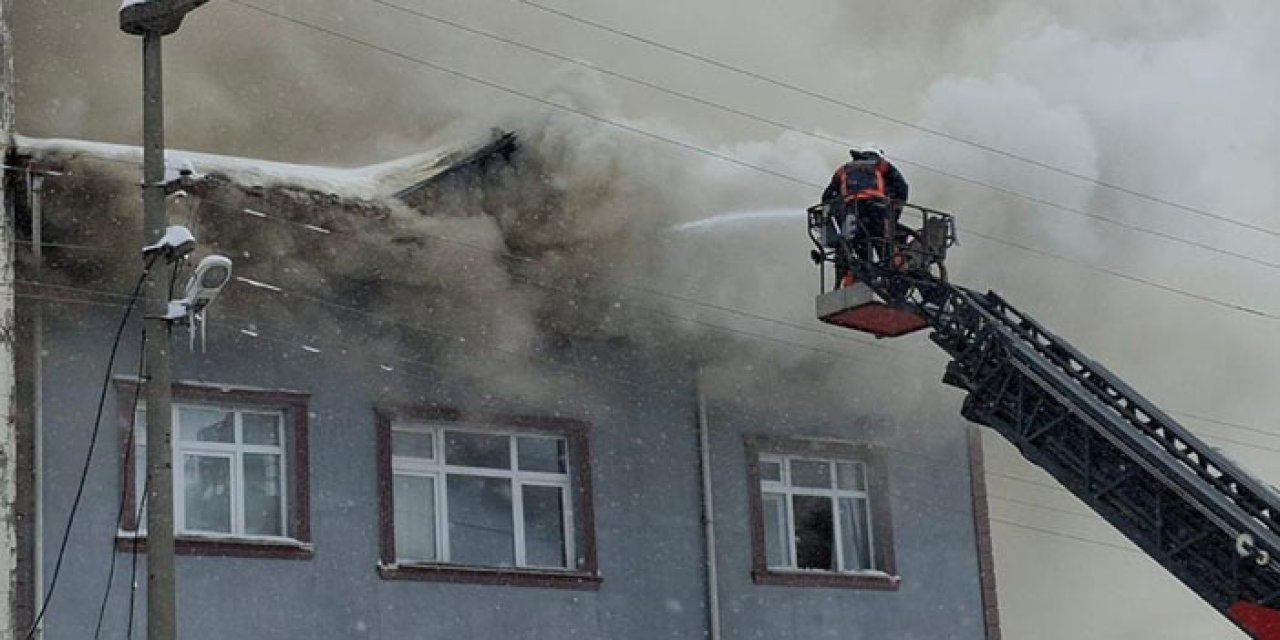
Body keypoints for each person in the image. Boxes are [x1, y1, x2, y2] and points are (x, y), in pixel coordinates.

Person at [821, 144, 909, 285]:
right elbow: (902, 187)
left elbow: (827, 197)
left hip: (851, 211)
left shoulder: (843, 169)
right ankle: (891, 278)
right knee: (883, 244)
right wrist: (895, 212)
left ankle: (864, 276)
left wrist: (834, 215)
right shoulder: (882, 165)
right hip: (877, 209)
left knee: (859, 245)